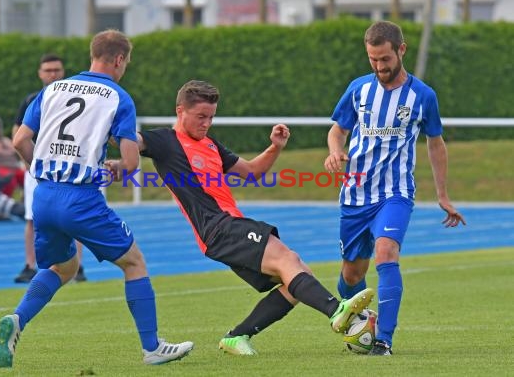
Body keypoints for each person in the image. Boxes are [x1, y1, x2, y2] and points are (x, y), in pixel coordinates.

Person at [126, 79, 374, 356]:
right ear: (180, 110)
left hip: (226, 227)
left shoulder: (210, 145)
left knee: (297, 278)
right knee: (288, 260)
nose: (206, 123)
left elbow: (252, 172)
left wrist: (275, 147)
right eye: (200, 117)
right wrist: (109, 124)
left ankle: (237, 336)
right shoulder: (165, 141)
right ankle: (336, 310)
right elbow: (131, 140)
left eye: (211, 117)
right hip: (219, 227)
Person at [0, 29, 193, 368]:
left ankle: (17, 319)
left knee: (63, 267)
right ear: (118, 59)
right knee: (133, 262)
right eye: (126, 63)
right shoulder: (118, 97)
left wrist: (37, 170)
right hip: (81, 198)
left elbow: (18, 140)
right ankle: (152, 347)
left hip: (45, 195)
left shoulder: (53, 89)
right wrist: (116, 167)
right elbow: (130, 163)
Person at [323, 21, 466, 356]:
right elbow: (337, 130)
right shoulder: (358, 89)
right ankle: (359, 321)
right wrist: (334, 151)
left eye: (385, 59)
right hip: (356, 194)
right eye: (373, 59)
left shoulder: (423, 96)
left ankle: (383, 340)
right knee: (351, 273)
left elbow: (435, 144)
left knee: (386, 253)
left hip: (395, 193)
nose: (379, 66)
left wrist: (442, 194)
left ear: (401, 50)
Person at [12, 54, 87, 283]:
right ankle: (30, 265)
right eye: (48, 70)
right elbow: (18, 132)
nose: (52, 74)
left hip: (67, 168)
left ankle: (78, 267)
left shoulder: (75, 98)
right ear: (40, 73)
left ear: (63, 72)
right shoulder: (32, 100)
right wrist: (29, 165)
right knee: (32, 218)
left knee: (74, 217)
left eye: (56, 69)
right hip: (38, 167)